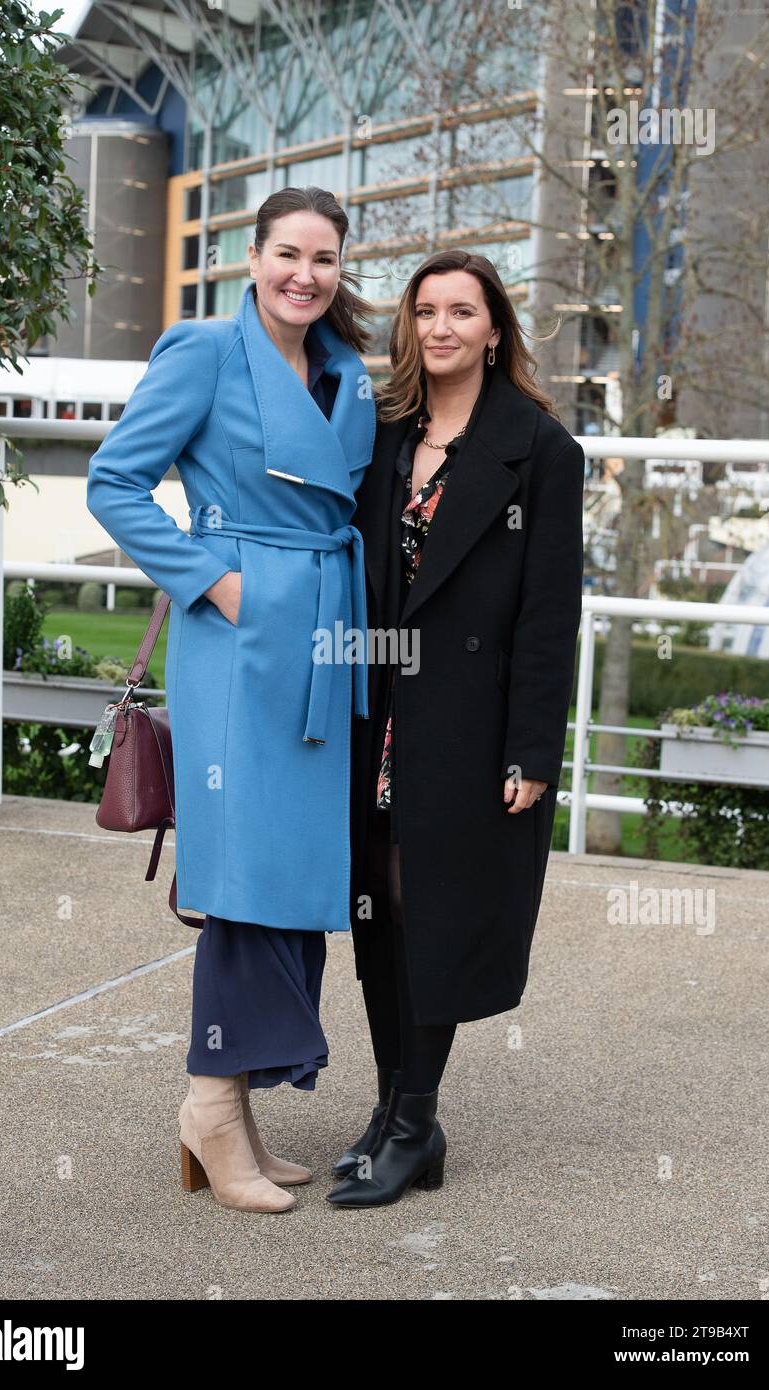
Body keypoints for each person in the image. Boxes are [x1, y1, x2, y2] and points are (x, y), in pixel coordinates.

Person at [85, 186, 375, 1214]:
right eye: (287, 253)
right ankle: (210, 1102)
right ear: (250, 257)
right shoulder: (204, 351)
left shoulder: (347, 376)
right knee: (247, 870)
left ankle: (233, 1108)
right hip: (240, 641)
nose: (305, 273)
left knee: (298, 875)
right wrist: (215, 580)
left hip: (327, 638)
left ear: (341, 270)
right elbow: (115, 481)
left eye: (325, 259)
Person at [327, 249, 585, 1207]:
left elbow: (547, 615)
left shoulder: (541, 451)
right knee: (377, 908)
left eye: (460, 312)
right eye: (425, 311)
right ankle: (397, 1107)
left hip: (469, 726)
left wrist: (531, 749)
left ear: (493, 329)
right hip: (377, 711)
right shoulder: (382, 433)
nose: (440, 328)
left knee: (428, 907)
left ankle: (412, 1121)